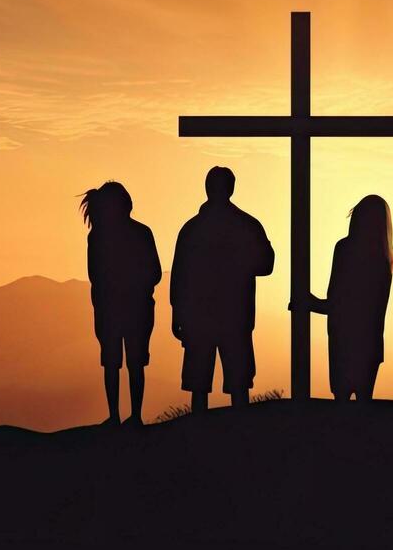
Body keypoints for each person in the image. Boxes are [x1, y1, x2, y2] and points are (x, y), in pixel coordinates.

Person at [170, 166, 275, 412]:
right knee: (235, 384)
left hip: (203, 316)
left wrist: (178, 314)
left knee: (201, 385)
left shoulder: (192, 229)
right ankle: (239, 433)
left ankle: (199, 434)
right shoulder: (247, 225)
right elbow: (266, 263)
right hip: (235, 314)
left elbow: (179, 277)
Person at [80, 181, 162, 426]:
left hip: (109, 309)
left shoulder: (97, 237)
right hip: (136, 309)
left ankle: (115, 416)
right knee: (134, 363)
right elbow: (155, 272)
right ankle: (134, 416)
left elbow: (95, 275)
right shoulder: (141, 232)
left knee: (112, 363)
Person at [307, 195, 393, 402]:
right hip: (370, 342)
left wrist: (311, 303)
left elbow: (336, 302)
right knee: (364, 404)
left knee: (341, 402)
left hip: (343, 338)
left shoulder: (345, 249)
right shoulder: (385, 259)